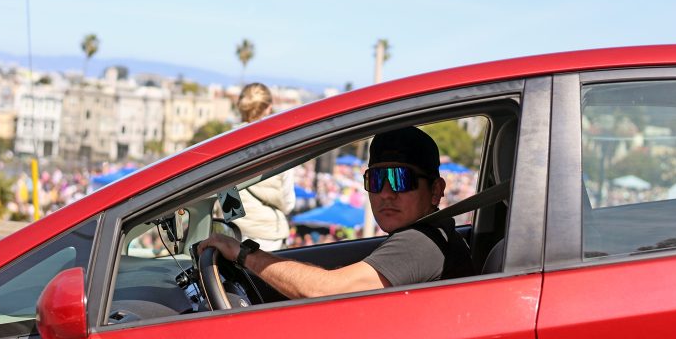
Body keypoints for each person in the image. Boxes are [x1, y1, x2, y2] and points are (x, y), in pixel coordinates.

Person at [199, 126, 473, 299]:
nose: (387, 193)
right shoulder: (430, 235)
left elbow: (325, 290)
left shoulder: (421, 242)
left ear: (436, 190)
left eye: (401, 179)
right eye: (376, 180)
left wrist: (243, 253)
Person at [232, 83, 296, 252]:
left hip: (235, 233)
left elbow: (224, 194)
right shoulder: (279, 146)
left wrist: (238, 220)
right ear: (268, 108)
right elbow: (288, 203)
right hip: (270, 235)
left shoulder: (227, 143)